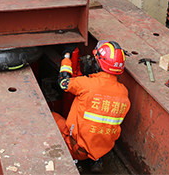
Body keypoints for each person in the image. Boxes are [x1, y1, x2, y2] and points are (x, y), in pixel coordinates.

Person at [53, 40, 131, 172]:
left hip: (78, 149)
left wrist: (66, 56)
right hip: (103, 148)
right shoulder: (124, 93)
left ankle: (74, 160)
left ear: (97, 63)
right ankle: (96, 159)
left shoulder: (86, 84)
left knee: (51, 117)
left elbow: (63, 82)